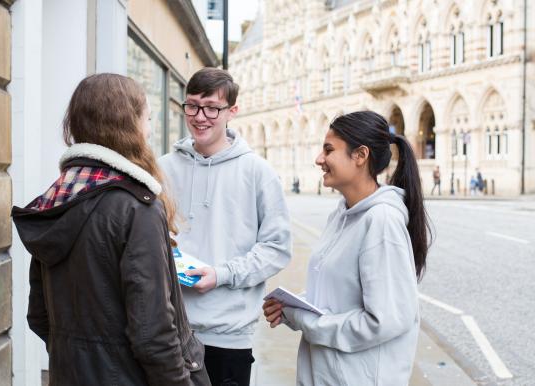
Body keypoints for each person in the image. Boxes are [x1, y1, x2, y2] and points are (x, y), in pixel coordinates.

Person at [12, 74, 210, 386]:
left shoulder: (59, 199)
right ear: (128, 125)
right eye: (146, 118)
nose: (150, 129)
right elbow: (154, 335)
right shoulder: (136, 207)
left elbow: (39, 315)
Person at [263, 111, 431, 386]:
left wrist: (305, 320)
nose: (319, 159)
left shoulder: (382, 221)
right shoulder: (341, 214)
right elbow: (336, 295)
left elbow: (384, 321)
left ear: (360, 156)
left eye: (329, 150)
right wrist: (290, 307)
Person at [159, 68, 292, 386]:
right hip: (168, 331)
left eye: (211, 108)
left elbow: (276, 249)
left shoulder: (258, 172)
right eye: (192, 105)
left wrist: (222, 274)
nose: (200, 116)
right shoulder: (163, 168)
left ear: (233, 111)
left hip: (228, 337)